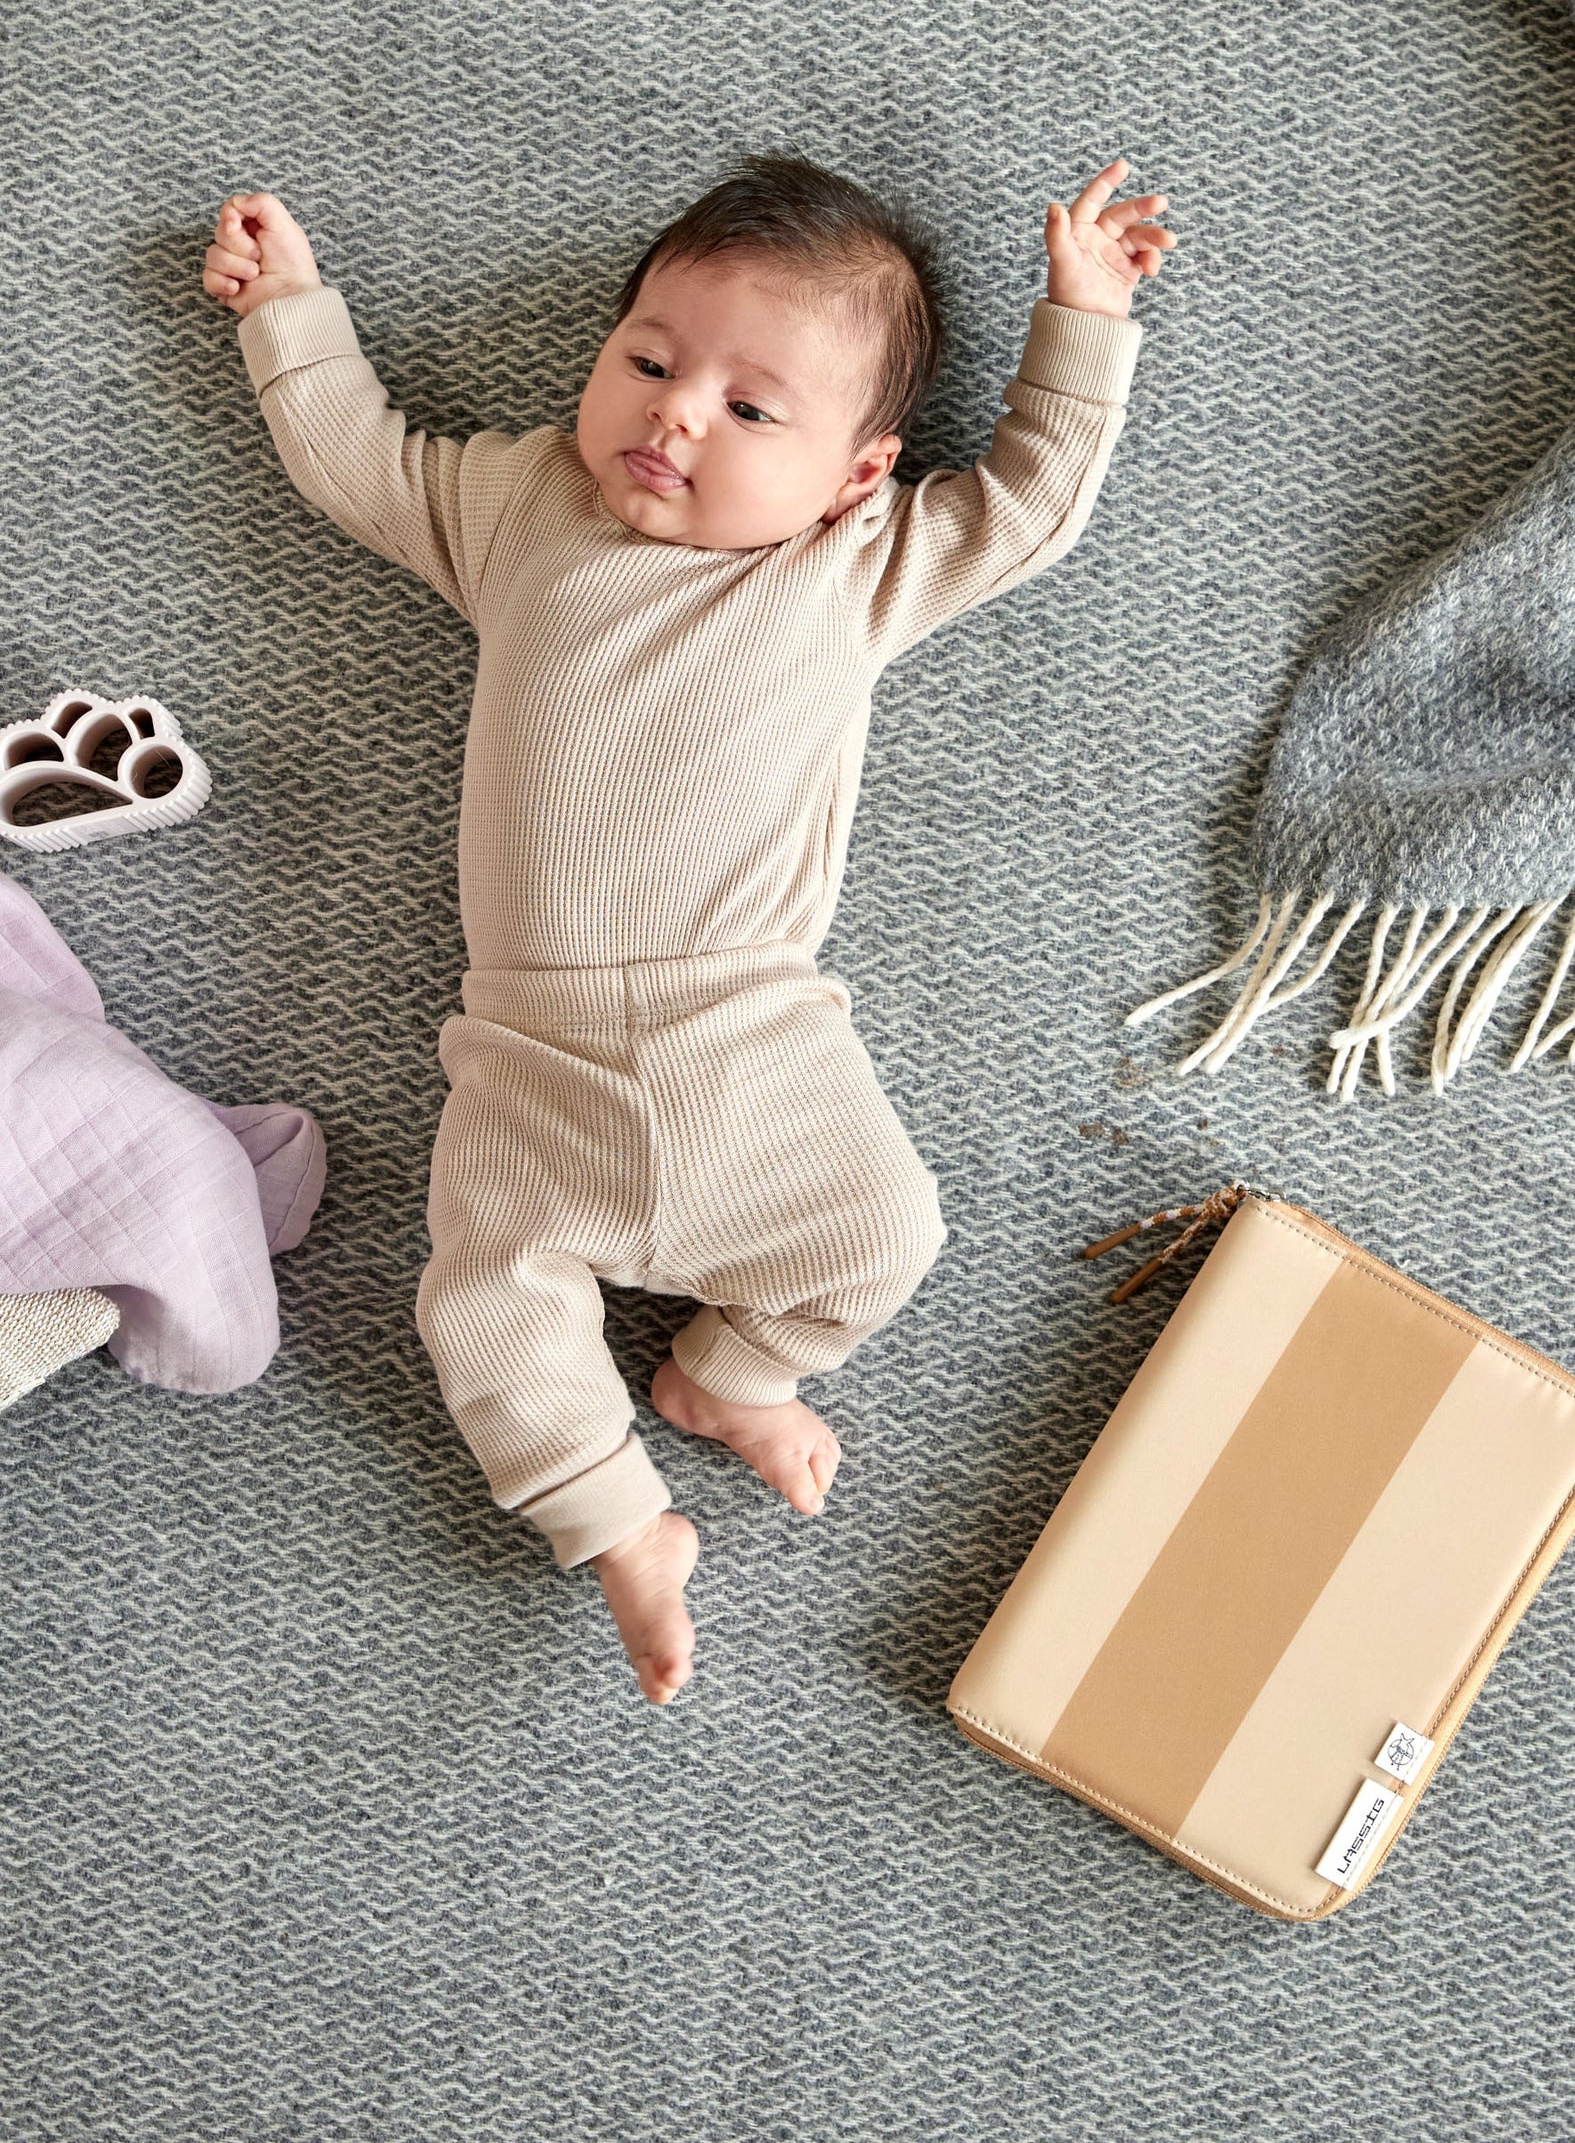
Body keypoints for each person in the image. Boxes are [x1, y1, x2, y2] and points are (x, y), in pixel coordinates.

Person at [202, 149, 1175, 1701]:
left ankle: (730, 1373)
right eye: (650, 361)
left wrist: (1087, 321)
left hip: (753, 1034)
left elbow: (1029, 505)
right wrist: (293, 314)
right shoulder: (523, 507)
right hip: (529, 1048)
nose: (672, 415)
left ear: (858, 471)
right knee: (483, 1305)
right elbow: (361, 459)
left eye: (749, 409)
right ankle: (618, 1523)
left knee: (885, 1234)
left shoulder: (855, 566)